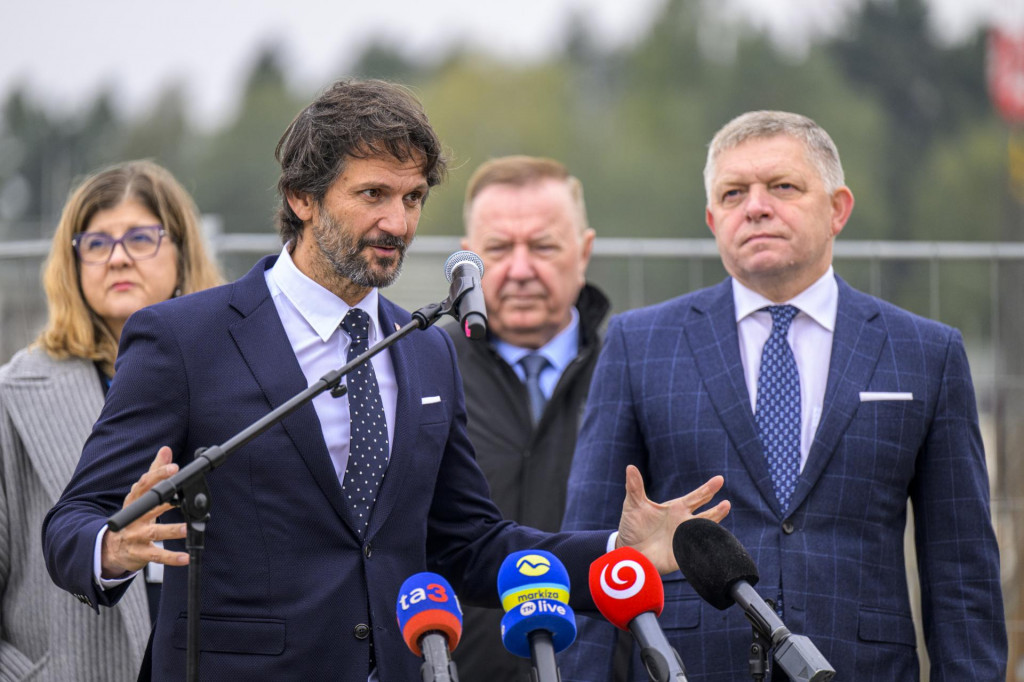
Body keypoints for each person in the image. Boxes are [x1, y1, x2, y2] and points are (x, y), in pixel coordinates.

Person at [41, 80, 730, 681]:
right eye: (373, 194)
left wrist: (618, 552)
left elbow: (471, 544)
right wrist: (111, 545)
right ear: (301, 198)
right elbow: (70, 523)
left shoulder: (427, 350)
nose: (397, 223)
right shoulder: (184, 338)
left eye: (413, 197)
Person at [560, 111, 1007, 680]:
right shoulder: (638, 344)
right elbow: (596, 550)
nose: (756, 206)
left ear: (838, 208)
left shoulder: (925, 353)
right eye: (733, 193)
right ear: (712, 218)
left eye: (783, 187)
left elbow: (961, 570)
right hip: (690, 667)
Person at [0, 160, 223, 681]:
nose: (118, 259)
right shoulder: (12, 396)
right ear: (71, 263)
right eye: (97, 244)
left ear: (182, 252)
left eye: (141, 238)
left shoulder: (240, 374)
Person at [444, 156, 608, 679]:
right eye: (498, 249)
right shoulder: (421, 370)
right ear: (469, 258)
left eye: (542, 246)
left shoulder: (632, 370)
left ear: (583, 252)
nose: (519, 269)